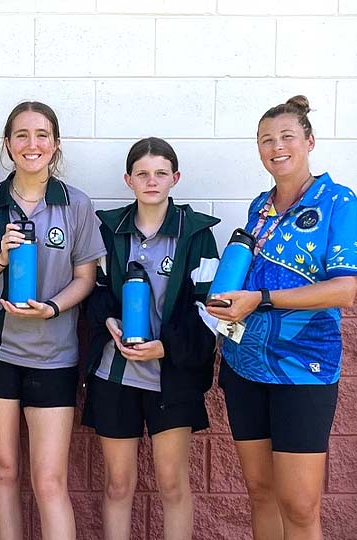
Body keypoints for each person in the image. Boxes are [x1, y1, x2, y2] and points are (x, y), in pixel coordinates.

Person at [206, 96, 357, 540]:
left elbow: (347, 289)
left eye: (287, 137)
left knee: (300, 505)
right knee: (260, 492)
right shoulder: (260, 207)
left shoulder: (339, 201)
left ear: (309, 142)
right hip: (245, 366)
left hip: (304, 370)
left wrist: (262, 299)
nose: (276, 147)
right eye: (266, 140)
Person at [0, 101, 103, 540]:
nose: (32, 144)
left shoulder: (75, 203)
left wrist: (53, 307)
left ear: (55, 145)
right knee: (2, 472)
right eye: (21, 135)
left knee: (49, 480)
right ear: (8, 143)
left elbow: (86, 278)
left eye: (42, 135)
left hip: (54, 355)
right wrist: (0, 257)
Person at [81, 137, 220, 540]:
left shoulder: (197, 235)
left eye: (161, 173)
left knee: (172, 484)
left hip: (171, 378)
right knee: (118, 484)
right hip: (116, 374)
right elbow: (96, 291)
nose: (152, 181)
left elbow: (207, 310)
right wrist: (108, 319)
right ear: (128, 180)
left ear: (176, 178)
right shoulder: (110, 229)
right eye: (142, 173)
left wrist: (168, 347)